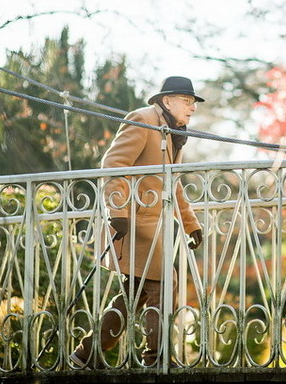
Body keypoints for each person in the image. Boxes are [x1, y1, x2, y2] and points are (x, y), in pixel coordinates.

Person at [70, 76, 205, 369]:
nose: (192, 108)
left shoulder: (174, 132)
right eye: (187, 101)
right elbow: (113, 164)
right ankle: (156, 360)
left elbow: (173, 183)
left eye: (194, 102)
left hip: (153, 227)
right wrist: (117, 210)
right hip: (133, 224)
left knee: (135, 294)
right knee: (163, 285)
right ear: (167, 100)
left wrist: (190, 223)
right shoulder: (142, 120)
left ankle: (86, 353)